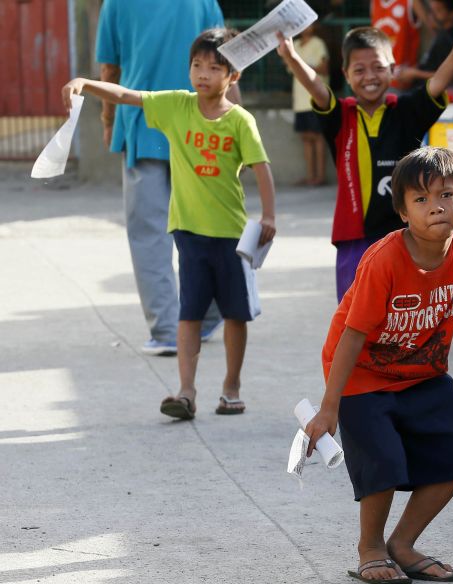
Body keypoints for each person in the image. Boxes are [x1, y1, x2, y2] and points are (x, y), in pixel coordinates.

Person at [304, 146, 453, 584]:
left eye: (447, 195)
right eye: (422, 199)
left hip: (423, 374)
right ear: (403, 212)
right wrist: (329, 406)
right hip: (361, 375)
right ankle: (370, 547)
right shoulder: (386, 257)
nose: (437, 208)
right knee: (383, 463)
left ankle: (403, 544)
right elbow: (352, 335)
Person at [63, 28, 277, 419]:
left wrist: (270, 216)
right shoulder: (178, 106)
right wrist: (86, 83)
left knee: (235, 314)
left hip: (231, 235)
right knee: (189, 312)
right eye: (197, 65)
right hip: (188, 232)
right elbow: (129, 96)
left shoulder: (240, 121)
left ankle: (231, 387)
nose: (203, 74)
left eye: (215, 67)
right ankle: (186, 391)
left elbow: (262, 168)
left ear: (234, 75)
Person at [276, 11, 453, 301]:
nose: (369, 76)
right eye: (359, 70)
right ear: (346, 75)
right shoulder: (340, 116)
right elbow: (315, 86)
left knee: (403, 313)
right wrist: (290, 56)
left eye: (377, 67)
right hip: (354, 237)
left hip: (407, 235)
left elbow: (439, 81)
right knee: (354, 314)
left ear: (392, 69)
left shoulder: (406, 110)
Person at [96, 0, 229, 356]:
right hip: (203, 126)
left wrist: (109, 119)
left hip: (144, 123)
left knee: (149, 232)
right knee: (207, 223)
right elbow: (228, 61)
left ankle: (169, 330)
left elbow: (109, 69)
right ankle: (210, 314)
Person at [395, 0, 453, 115]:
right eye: (432, 10)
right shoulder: (440, 36)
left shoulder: (447, 39)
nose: (433, 15)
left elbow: (451, 75)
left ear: (451, 14)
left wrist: (414, 73)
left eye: (438, 11)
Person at [291, 23, 329, 186]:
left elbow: (324, 68)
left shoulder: (318, 43)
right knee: (306, 137)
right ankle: (310, 176)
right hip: (299, 99)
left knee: (318, 137)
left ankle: (320, 176)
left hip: (315, 98)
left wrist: (303, 67)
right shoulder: (294, 45)